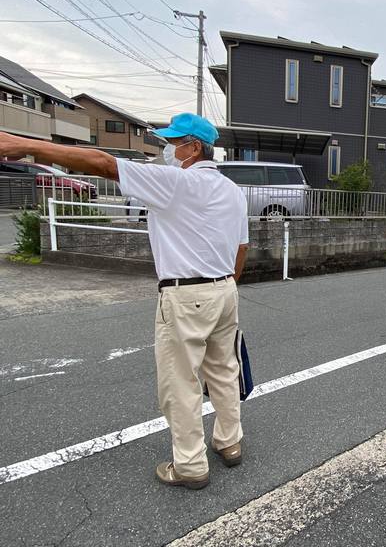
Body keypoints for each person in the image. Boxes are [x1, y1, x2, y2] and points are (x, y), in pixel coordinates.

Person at [0, 113, 249, 490]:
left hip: (186, 294)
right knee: (224, 371)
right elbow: (242, 246)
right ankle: (230, 442)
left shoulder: (177, 181)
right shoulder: (232, 190)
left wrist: (26, 145)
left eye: (173, 142)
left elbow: (102, 163)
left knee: (180, 383)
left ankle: (190, 466)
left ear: (194, 147)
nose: (168, 149)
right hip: (225, 290)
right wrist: (228, 284)